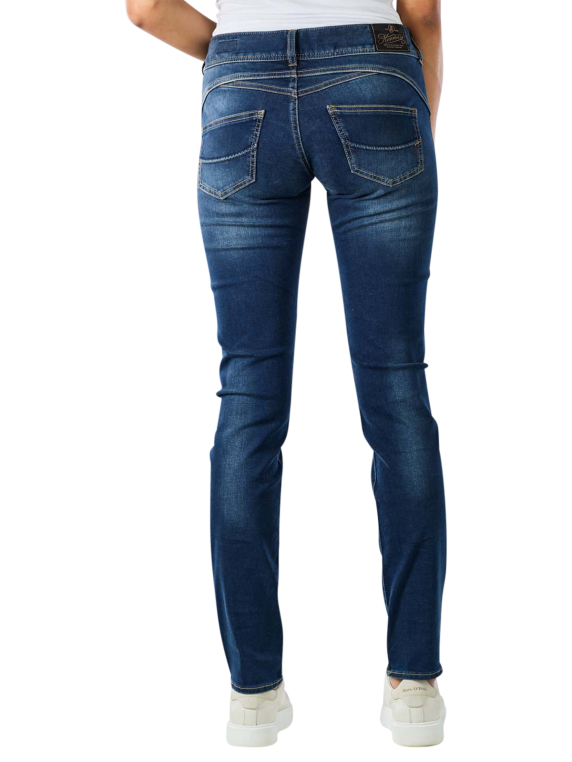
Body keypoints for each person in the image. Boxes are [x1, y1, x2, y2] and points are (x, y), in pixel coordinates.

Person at [126, 0, 447, 748]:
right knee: (399, 389)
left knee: (246, 394)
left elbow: (145, 9)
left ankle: (253, 695)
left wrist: (238, 51)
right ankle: (416, 689)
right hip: (374, 72)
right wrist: (420, 109)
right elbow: (425, 10)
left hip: (240, 80)